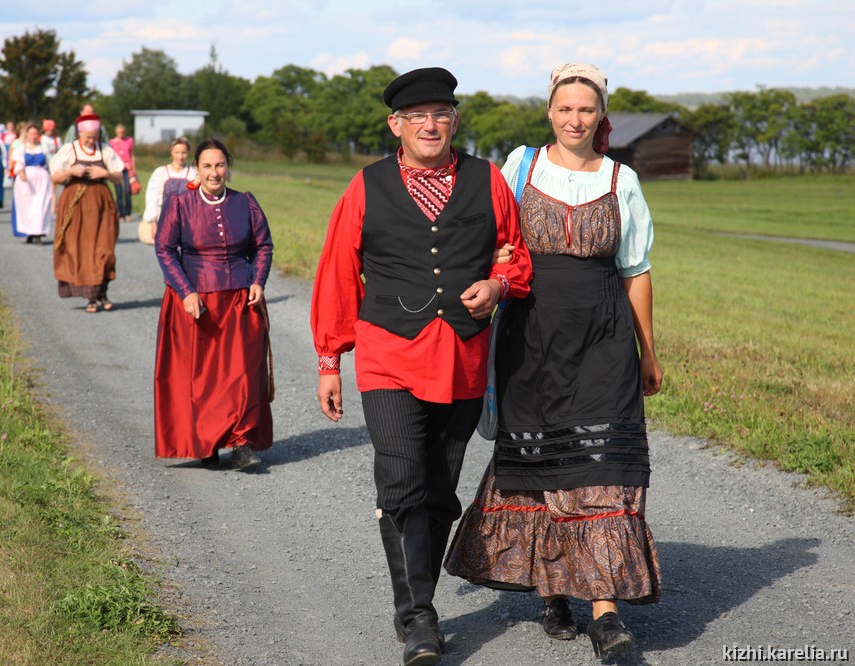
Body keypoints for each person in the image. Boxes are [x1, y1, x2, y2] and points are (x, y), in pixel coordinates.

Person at [310, 67, 533, 666]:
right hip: (387, 353)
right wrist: (330, 359)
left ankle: (418, 603)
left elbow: (519, 257)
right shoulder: (366, 186)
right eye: (417, 117)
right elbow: (336, 271)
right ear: (397, 126)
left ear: (453, 121)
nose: (430, 125)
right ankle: (418, 617)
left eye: (441, 115)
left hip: (461, 356)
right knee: (402, 478)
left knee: (439, 488)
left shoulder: (487, 180)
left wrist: (497, 283)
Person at [444, 63, 663, 661]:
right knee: (544, 459)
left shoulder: (623, 180)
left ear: (600, 116)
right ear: (550, 113)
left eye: (585, 110)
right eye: (565, 109)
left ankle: (606, 613)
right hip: (530, 336)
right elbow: (493, 238)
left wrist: (649, 350)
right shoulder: (520, 167)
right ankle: (553, 587)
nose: (574, 119)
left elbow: (636, 270)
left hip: (604, 335)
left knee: (603, 463)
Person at [153, 138, 273, 471]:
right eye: (207, 166)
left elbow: (263, 246)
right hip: (195, 302)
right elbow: (165, 250)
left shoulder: (245, 203)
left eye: (220, 165)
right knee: (204, 378)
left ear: (228, 167)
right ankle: (207, 443)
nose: (214, 172)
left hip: (239, 299)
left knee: (243, 373)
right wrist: (185, 291)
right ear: (197, 169)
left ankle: (241, 443)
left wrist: (258, 281)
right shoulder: (180, 204)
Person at [49, 113, 124, 312]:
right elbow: (55, 177)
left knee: (105, 249)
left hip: (101, 203)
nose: (92, 141)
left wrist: (105, 173)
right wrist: (70, 172)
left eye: (95, 136)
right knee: (81, 249)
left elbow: (119, 177)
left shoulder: (105, 150)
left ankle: (102, 291)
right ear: (79, 134)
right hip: (75, 203)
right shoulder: (69, 150)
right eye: (88, 137)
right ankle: (91, 298)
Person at [139, 137, 197, 245]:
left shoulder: (193, 173)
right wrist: (153, 223)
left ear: (188, 153)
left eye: (184, 152)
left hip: (187, 221)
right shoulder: (161, 172)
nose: (180, 156)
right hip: (164, 219)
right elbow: (152, 197)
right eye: (177, 152)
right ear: (171, 153)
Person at [11, 123, 53, 245]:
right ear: (27, 135)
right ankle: (29, 231)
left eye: (35, 134)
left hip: (42, 179)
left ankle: (38, 233)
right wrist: (21, 173)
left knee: (40, 205)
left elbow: (50, 163)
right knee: (27, 206)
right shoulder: (22, 148)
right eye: (31, 134)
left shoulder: (43, 148)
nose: (33, 136)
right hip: (27, 180)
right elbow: (18, 163)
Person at [109, 123, 136, 222]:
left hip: (127, 168)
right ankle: (121, 213)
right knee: (119, 192)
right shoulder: (112, 142)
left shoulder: (129, 140)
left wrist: (134, 169)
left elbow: (132, 155)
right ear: (116, 132)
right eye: (119, 132)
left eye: (123, 132)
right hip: (116, 169)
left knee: (127, 191)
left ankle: (128, 212)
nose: (121, 134)